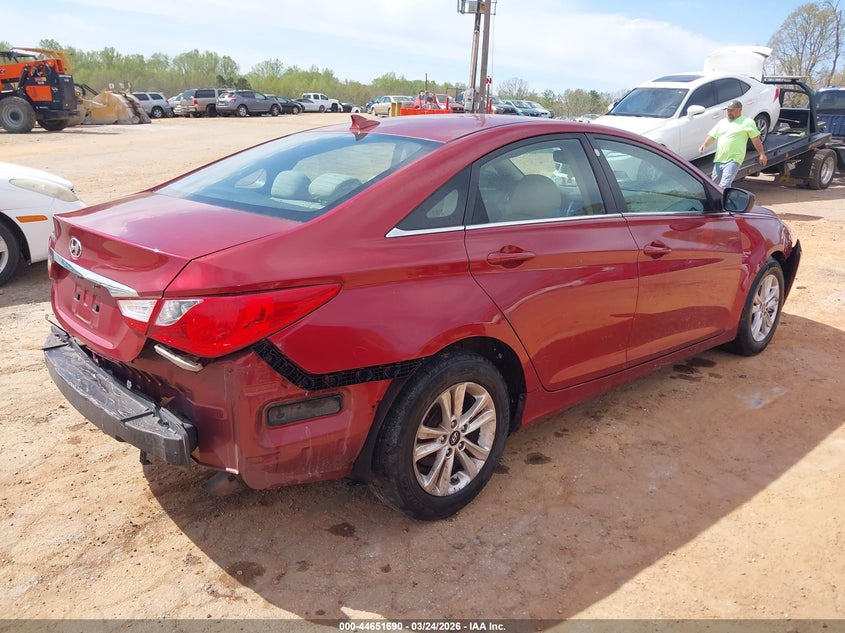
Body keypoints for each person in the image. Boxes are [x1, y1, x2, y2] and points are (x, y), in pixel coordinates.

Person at [698, 100, 767, 188]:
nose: (729, 112)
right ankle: (717, 201)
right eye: (728, 110)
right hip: (719, 159)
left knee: (724, 185)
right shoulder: (722, 122)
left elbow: (756, 140)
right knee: (714, 185)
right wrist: (704, 145)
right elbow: (712, 136)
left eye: (732, 110)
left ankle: (722, 201)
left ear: (740, 110)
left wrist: (762, 154)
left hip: (734, 159)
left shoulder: (747, 122)